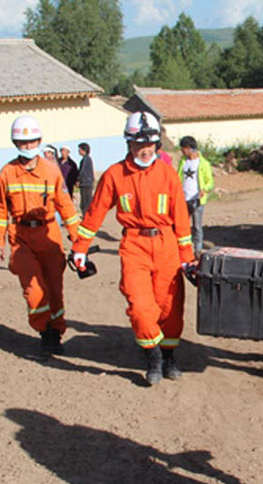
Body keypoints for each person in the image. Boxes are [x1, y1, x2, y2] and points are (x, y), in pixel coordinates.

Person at [71, 112, 195, 386]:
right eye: (138, 144)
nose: (144, 149)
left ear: (157, 144)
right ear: (128, 143)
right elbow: (94, 213)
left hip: (167, 246)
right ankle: (153, 358)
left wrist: (187, 258)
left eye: (149, 144)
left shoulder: (168, 175)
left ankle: (170, 355)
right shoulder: (115, 175)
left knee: (170, 308)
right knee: (140, 307)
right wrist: (80, 248)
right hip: (134, 246)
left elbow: (182, 219)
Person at [0, 115, 81, 356]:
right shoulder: (7, 173)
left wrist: (77, 239)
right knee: (34, 289)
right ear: (15, 143)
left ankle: (56, 333)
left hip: (49, 235)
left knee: (54, 289)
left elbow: (66, 207)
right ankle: (44, 331)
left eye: (32, 142)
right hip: (21, 237)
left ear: (39, 141)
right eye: (23, 143)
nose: (28, 147)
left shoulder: (52, 171)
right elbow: (1, 209)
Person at [176, 136, 214, 257]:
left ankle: (197, 251)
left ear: (188, 148)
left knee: (197, 226)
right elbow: (178, 177)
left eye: (183, 149)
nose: (182, 151)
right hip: (183, 199)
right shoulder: (183, 162)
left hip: (197, 199)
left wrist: (204, 189)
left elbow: (210, 181)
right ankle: (182, 250)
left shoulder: (203, 164)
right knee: (182, 225)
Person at [77, 143, 95, 216]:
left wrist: (78, 180)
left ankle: (87, 217)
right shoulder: (86, 159)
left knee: (86, 202)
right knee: (85, 202)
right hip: (86, 183)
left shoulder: (86, 159)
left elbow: (83, 171)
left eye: (79, 149)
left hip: (86, 184)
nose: (78, 151)